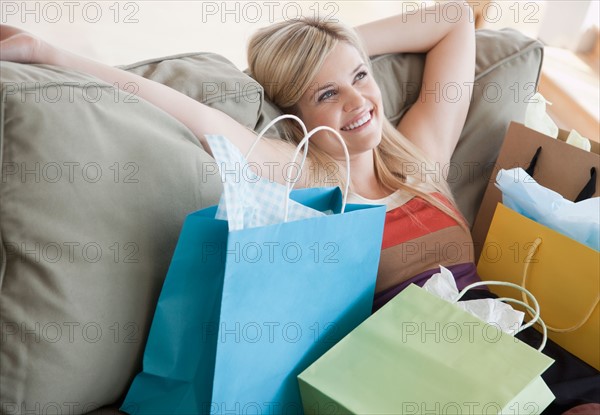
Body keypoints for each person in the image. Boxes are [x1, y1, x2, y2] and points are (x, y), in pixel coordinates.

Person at [1, 3, 598, 412]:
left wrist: (341, 48)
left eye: (362, 78)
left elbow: (453, 22)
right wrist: (47, 51)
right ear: (300, 116)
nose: (358, 100)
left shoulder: (423, 157)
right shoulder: (306, 174)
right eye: (326, 94)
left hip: (525, 353)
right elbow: (191, 114)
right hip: (430, 386)